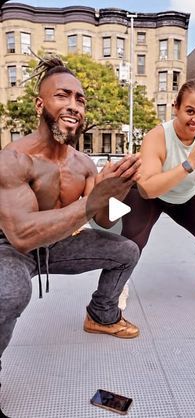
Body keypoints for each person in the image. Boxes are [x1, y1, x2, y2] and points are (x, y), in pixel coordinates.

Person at [0, 55, 141, 417]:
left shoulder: (83, 164)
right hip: (12, 248)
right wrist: (89, 204)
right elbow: (21, 234)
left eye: (80, 99)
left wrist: (115, 194)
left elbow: (106, 222)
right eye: (63, 95)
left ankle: (101, 314)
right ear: (40, 104)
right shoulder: (14, 158)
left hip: (58, 244)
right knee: (11, 291)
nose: (74, 106)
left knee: (126, 250)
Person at [122, 79, 195, 309]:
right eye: (190, 111)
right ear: (176, 107)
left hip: (187, 195)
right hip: (152, 196)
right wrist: (188, 164)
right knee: (131, 237)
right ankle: (118, 285)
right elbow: (147, 188)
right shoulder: (157, 137)